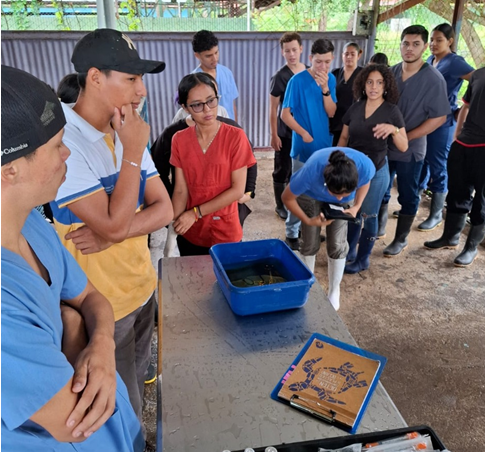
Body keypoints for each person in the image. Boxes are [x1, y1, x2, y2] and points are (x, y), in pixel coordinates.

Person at [1, 65, 144, 452]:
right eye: (57, 146)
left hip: (115, 433)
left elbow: (91, 297)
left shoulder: (30, 221)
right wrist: (77, 328)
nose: (67, 153)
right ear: (11, 170)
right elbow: (73, 422)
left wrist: (100, 344)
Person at [49, 29, 173, 434]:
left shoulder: (125, 127)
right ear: (95, 77)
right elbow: (121, 221)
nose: (142, 91)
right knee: (119, 410)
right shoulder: (64, 142)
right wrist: (133, 152)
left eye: (142, 79)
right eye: (131, 79)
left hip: (140, 287)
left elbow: (165, 208)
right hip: (102, 307)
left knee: (138, 378)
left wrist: (110, 234)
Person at [379, 25, 450, 256]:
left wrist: (406, 136)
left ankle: (400, 239)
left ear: (425, 46)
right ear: (400, 45)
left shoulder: (433, 79)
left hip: (411, 148)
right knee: (381, 188)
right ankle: (378, 227)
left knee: (408, 194)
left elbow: (439, 117)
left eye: (416, 44)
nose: (410, 48)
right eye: (406, 43)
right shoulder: (391, 73)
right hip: (384, 145)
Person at [170, 73, 256, 256]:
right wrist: (173, 222)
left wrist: (195, 213)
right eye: (197, 105)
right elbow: (180, 190)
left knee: (225, 273)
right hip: (191, 231)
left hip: (225, 230)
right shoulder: (179, 140)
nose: (207, 110)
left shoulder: (235, 137)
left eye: (211, 101)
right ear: (185, 107)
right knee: (194, 272)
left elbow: (237, 190)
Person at [282, 149, 375, 311]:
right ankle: (309, 287)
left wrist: (356, 206)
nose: (338, 198)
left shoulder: (365, 166)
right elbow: (287, 197)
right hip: (310, 194)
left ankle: (334, 290)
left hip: (340, 195)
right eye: (336, 194)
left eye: (345, 193)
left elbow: (365, 182)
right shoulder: (311, 172)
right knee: (310, 243)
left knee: (337, 244)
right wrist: (308, 220)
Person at [338, 64, 408, 274]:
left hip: (377, 172)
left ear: (386, 86)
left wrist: (394, 130)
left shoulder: (391, 111)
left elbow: (404, 146)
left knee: (368, 214)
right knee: (353, 211)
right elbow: (344, 137)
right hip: (353, 171)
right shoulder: (356, 107)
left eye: (379, 82)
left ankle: (363, 259)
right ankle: (350, 252)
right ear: (363, 84)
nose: (374, 87)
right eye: (369, 82)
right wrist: (337, 161)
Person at [424, 67, 485, 266]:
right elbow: (465, 106)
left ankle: (471, 247)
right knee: (457, 191)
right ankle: (450, 237)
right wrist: (457, 135)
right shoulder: (478, 74)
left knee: (482, 201)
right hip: (464, 143)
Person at [281, 38, 337, 251]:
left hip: (324, 147)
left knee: (319, 190)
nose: (323, 67)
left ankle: (312, 228)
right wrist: (303, 133)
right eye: (319, 61)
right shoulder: (296, 81)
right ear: (311, 58)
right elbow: (285, 115)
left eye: (327, 62)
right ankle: (291, 232)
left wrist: (325, 89)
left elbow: (331, 112)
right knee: (298, 190)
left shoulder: (331, 79)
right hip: (303, 148)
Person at [417, 23, 474, 232]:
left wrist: (463, 108)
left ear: (450, 41)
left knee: (438, 164)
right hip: (426, 118)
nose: (433, 44)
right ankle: (414, 203)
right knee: (423, 160)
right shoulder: (431, 60)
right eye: (432, 40)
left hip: (443, 122)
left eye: (439, 40)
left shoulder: (455, 62)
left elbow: (476, 79)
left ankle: (436, 214)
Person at [269, 32, 306, 220]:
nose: (291, 54)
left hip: (305, 131)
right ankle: (280, 205)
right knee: (282, 169)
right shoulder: (279, 77)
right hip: (285, 133)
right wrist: (274, 135)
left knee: (298, 170)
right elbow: (273, 109)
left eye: (294, 50)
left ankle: (296, 202)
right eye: (287, 51)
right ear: (282, 52)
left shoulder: (309, 72)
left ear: (301, 49)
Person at [192, 30, 239, 121]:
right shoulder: (193, 80)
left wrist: (236, 126)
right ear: (197, 55)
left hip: (229, 126)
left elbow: (232, 105)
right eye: (208, 56)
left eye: (216, 52)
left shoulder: (227, 73)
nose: (215, 58)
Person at [330, 42, 363, 146]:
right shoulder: (335, 73)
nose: (349, 57)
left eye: (352, 54)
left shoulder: (364, 74)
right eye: (346, 54)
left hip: (354, 122)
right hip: (335, 121)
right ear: (342, 55)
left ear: (358, 55)